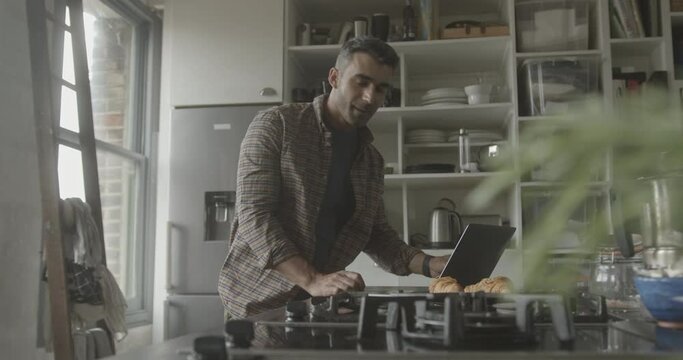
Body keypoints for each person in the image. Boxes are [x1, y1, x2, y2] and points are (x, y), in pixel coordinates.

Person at [218, 36, 448, 319]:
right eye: (361, 82)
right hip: (257, 306)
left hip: (319, 307)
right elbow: (255, 216)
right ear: (334, 77)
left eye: (380, 88)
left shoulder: (371, 161)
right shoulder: (276, 125)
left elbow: (377, 235)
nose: (370, 97)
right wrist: (312, 279)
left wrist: (430, 265)